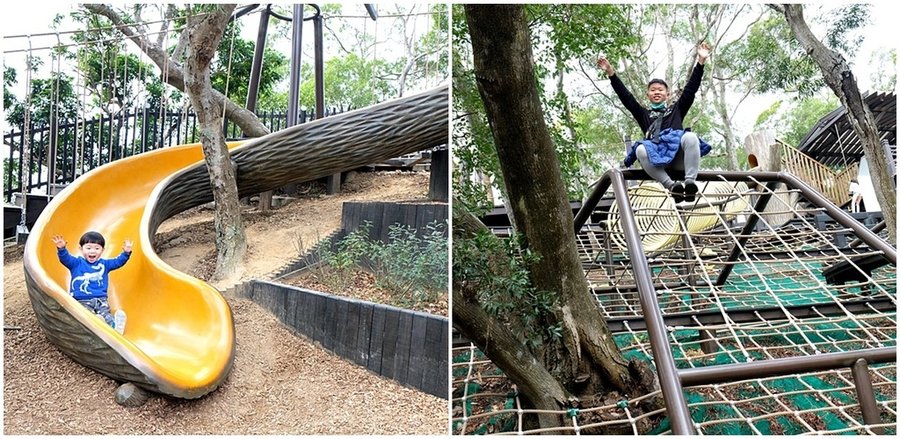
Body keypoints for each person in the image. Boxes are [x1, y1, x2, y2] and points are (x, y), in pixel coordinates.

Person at [597, 42, 713, 202]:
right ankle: (672, 186)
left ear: (667, 94)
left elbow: (691, 89)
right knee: (640, 149)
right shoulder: (644, 114)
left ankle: (690, 183)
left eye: (660, 89)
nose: (656, 92)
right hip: (658, 162)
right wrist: (611, 72)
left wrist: (700, 61)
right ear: (648, 95)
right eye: (653, 90)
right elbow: (626, 98)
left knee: (691, 137)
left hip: (678, 159)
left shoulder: (676, 109)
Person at [52, 231, 132, 334]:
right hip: (81, 300)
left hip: (100, 299)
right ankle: (98, 323)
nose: (92, 251)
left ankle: (115, 326)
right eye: (88, 248)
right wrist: (61, 249)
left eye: (97, 248)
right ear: (81, 249)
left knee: (106, 314)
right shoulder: (76, 263)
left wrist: (126, 253)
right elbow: (65, 259)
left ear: (102, 250)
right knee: (87, 316)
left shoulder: (104, 264)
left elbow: (117, 262)